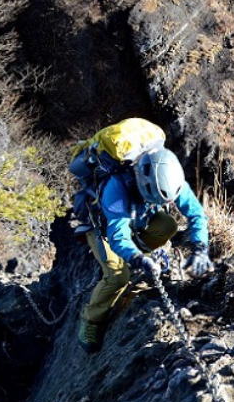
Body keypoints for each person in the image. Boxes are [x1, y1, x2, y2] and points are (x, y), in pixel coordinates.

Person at [77, 147, 213, 353]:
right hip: (104, 229)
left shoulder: (170, 178)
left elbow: (196, 215)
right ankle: (91, 320)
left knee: (167, 225)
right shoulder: (116, 189)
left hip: (138, 219)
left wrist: (200, 248)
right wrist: (138, 258)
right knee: (117, 275)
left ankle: (139, 263)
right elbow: (117, 235)